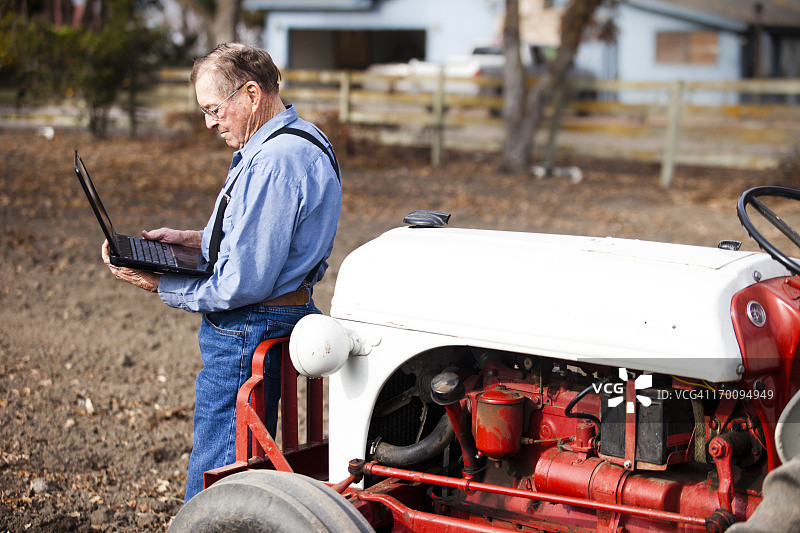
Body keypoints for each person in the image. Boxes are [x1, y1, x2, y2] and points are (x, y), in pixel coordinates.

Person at [101, 43, 342, 503]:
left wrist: (162, 283)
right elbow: (260, 239)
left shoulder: (273, 161)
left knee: (219, 470)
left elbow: (241, 283)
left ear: (251, 94)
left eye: (214, 109)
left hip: (247, 327)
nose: (210, 122)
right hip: (277, 312)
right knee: (241, 462)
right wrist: (189, 240)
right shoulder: (302, 139)